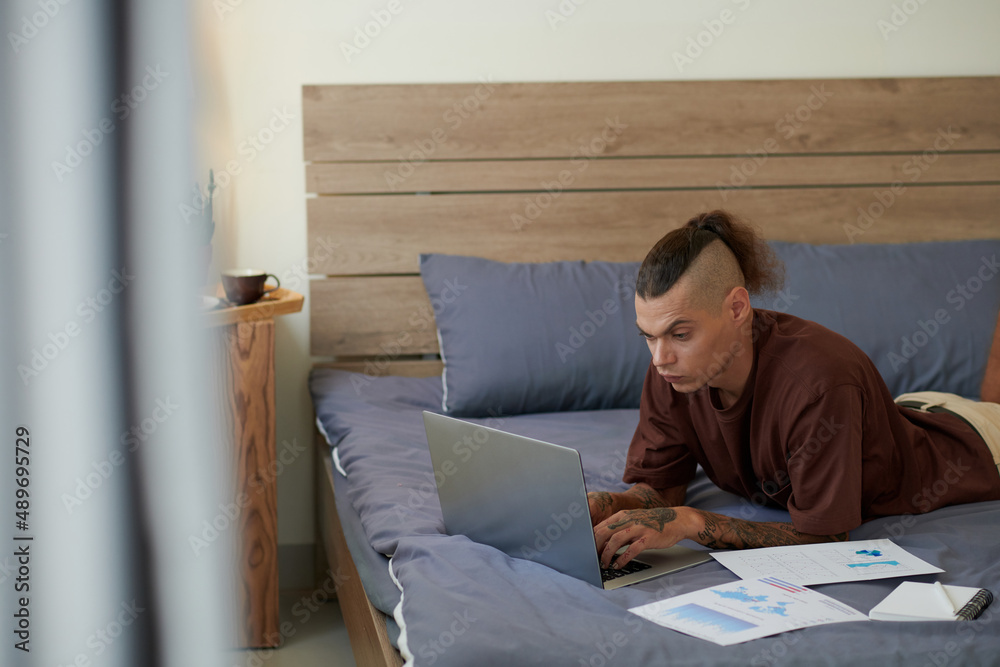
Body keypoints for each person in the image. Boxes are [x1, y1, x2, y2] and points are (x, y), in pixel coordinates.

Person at [589, 210, 1000, 570]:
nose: (660, 357)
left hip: (982, 442)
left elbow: (826, 539)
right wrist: (601, 505)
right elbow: (664, 489)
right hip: (913, 415)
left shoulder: (819, 384)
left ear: (737, 308)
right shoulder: (674, 370)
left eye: (680, 334)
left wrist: (693, 522)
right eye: (649, 336)